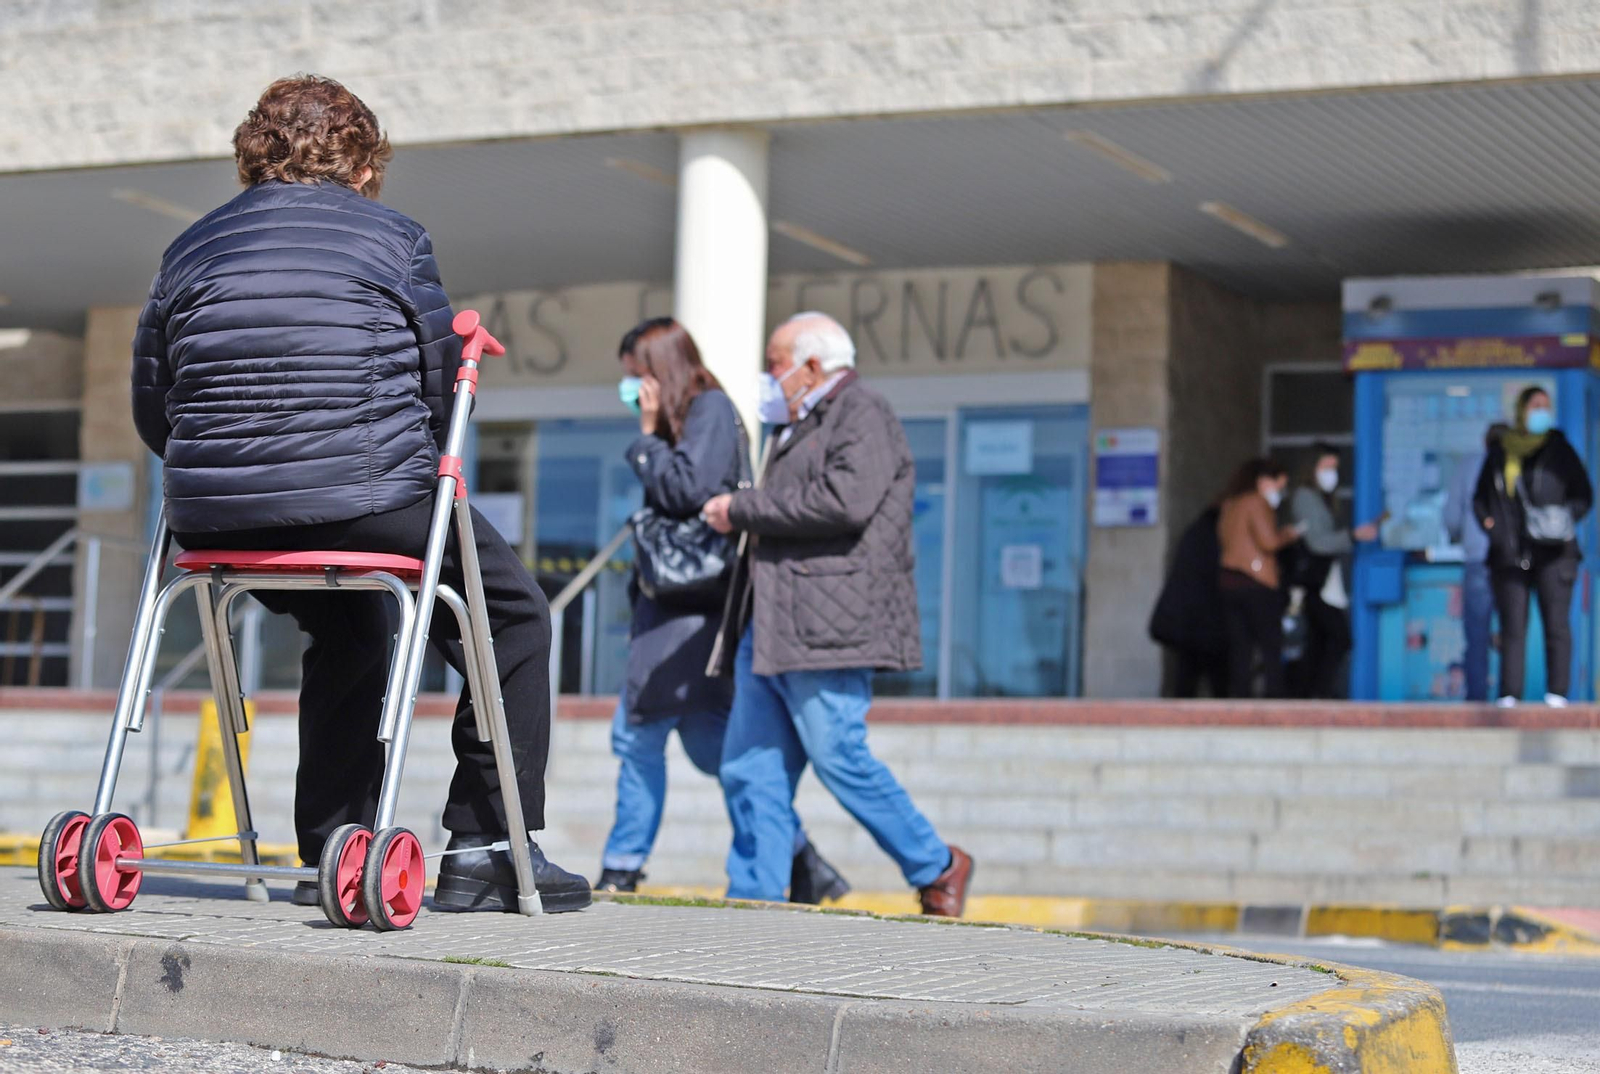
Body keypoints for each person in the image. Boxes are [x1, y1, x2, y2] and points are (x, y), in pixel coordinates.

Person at [130, 75, 589, 912]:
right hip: (369, 495)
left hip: (213, 518)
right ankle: (487, 847)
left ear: (252, 157)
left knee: (350, 623)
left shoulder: (187, 250)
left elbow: (153, 411)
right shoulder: (394, 240)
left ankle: (330, 849)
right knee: (515, 612)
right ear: (365, 164)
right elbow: (442, 394)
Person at [701, 312, 973, 915]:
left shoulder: (862, 410)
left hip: (829, 623)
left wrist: (743, 508)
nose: (770, 377)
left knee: (837, 753)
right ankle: (756, 894)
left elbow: (845, 501)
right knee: (748, 764)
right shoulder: (798, 422)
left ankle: (936, 864)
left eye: (776, 364)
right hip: (771, 620)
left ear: (813, 366)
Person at [596, 317, 850, 904]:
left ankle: (622, 865)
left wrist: (647, 433)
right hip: (676, 608)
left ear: (661, 371)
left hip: (688, 609)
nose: (635, 391)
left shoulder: (707, 409)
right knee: (715, 747)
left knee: (638, 732)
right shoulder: (693, 416)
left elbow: (687, 490)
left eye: (638, 379)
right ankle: (801, 856)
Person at [1473, 387, 1593, 707]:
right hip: (1511, 554)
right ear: (1522, 410)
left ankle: (1557, 693)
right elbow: (1480, 499)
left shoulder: (1560, 450)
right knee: (1513, 628)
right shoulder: (1500, 453)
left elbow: (1584, 494)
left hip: (1556, 553)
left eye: (1546, 406)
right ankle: (1509, 694)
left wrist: (1563, 519)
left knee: (1556, 624)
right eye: (1535, 406)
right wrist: (1492, 527)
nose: (1542, 412)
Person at [1287, 445, 1379, 698]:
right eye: (1326, 468)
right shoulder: (1305, 497)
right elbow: (1318, 542)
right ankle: (1317, 692)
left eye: (1334, 468)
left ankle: (1310, 694)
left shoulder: (1321, 498)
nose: (1331, 474)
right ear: (1312, 468)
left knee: (1319, 639)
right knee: (1338, 637)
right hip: (1315, 580)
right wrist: (1353, 535)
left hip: (1323, 578)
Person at [1216, 458, 1303, 699]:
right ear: (1264, 482)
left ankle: (1240, 701)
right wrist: (1289, 534)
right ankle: (1274, 699)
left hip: (1229, 580)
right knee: (1270, 645)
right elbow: (1269, 542)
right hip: (1256, 582)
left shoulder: (1230, 504)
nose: (1280, 492)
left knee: (1240, 649)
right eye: (1279, 485)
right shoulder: (1256, 502)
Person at [1444, 424, 1508, 703]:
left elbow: (1452, 515)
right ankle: (1511, 697)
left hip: (1478, 558)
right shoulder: (1515, 466)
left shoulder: (1469, 465)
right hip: (1510, 561)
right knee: (1513, 635)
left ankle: (1477, 701)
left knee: (1477, 637)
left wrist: (1459, 535)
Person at [1149, 504, 1227, 698]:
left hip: (1192, 621)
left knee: (1187, 676)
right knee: (1211, 675)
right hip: (1202, 620)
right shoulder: (1210, 538)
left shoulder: (1196, 534)